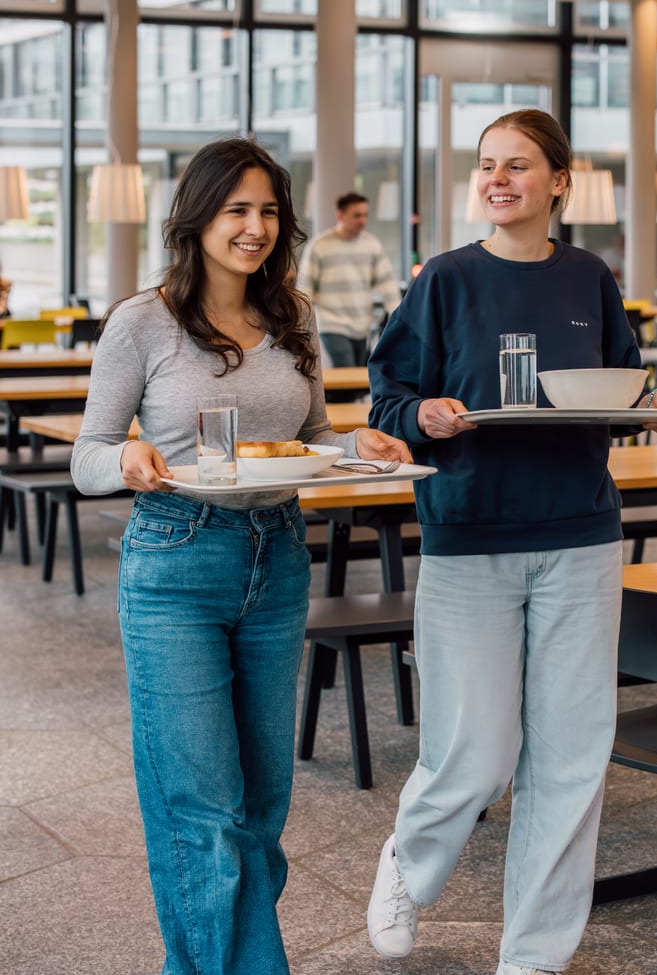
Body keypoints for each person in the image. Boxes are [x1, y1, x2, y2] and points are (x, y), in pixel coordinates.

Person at [70, 136, 411, 975]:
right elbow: (87, 453)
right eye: (236, 210)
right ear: (198, 218)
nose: (254, 227)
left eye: (267, 211)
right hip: (176, 564)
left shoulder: (292, 315)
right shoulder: (140, 322)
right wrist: (125, 461)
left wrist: (362, 441)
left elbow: (316, 438)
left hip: (277, 556)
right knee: (204, 813)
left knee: (259, 809)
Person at [364, 109, 657, 975]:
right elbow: (388, 395)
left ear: (559, 182)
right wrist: (421, 414)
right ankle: (408, 858)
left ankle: (535, 955)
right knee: (474, 753)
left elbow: (619, 383)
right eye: (487, 165)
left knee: (573, 754)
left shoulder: (590, 276)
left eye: (517, 165)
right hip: (470, 533)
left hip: (580, 532)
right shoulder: (445, 279)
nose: (498, 178)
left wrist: (650, 407)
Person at [297, 191, 401, 368]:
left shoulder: (372, 245)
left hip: (362, 327)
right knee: (348, 373)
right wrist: (300, 328)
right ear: (341, 215)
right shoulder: (320, 245)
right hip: (332, 325)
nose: (362, 220)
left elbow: (388, 285)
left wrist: (399, 317)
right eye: (357, 215)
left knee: (358, 379)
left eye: (365, 215)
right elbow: (305, 289)